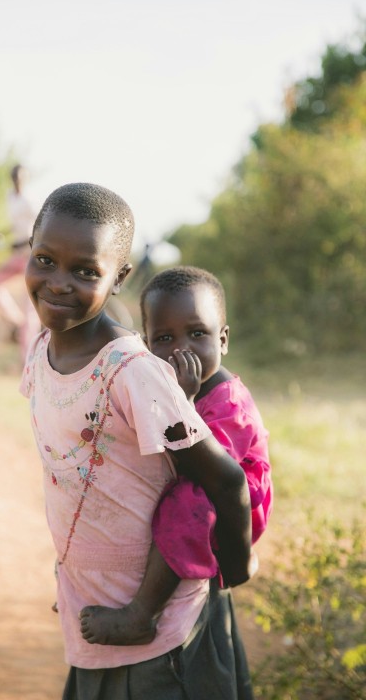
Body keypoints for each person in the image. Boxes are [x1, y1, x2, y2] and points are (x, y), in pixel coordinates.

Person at [20, 183, 254, 699]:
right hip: (96, 612)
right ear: (29, 248)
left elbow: (225, 478)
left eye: (85, 271)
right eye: (45, 259)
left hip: (167, 637)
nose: (59, 283)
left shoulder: (134, 373)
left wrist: (234, 567)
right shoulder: (41, 353)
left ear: (120, 277)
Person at [80, 265, 272, 700]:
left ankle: (141, 613)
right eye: (164, 339)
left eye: (197, 334)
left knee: (184, 503)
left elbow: (210, 473)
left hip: (235, 505)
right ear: (147, 344)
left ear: (222, 339)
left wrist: (180, 403)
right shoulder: (160, 382)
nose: (181, 351)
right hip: (198, 492)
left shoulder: (228, 402)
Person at [0, 164, 40, 361]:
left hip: (29, 254)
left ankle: (28, 360)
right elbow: (16, 225)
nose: (18, 180)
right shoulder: (11, 197)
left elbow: (40, 223)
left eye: (21, 177)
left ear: (25, 178)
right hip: (17, 252)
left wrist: (34, 246)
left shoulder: (30, 199)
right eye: (15, 177)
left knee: (29, 308)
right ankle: (16, 322)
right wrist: (2, 234)